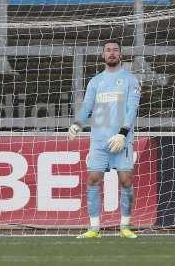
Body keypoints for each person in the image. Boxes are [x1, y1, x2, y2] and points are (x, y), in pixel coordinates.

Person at [68, 39, 141, 239]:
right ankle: (94, 229)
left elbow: (132, 109)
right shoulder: (95, 81)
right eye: (108, 50)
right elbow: (87, 107)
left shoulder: (130, 79)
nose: (111, 53)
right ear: (102, 55)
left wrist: (123, 133)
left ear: (121, 54)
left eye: (115, 50)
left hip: (121, 139)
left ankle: (125, 226)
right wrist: (77, 124)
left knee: (126, 180)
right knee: (93, 179)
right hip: (99, 140)